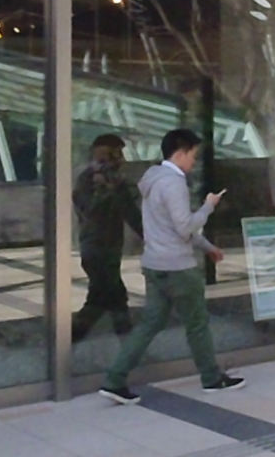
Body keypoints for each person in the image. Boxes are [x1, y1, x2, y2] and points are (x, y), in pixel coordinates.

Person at [100, 128, 244, 403]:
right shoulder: (174, 183)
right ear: (179, 154)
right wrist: (209, 206)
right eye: (192, 155)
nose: (194, 162)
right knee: (197, 324)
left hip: (155, 265)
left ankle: (114, 379)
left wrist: (207, 247)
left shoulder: (152, 181)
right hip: (178, 268)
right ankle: (211, 378)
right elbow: (185, 227)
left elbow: (169, 226)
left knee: (149, 325)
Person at [72, 134, 142, 341]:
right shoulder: (87, 181)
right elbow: (89, 211)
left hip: (111, 250)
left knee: (102, 299)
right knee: (112, 297)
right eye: (115, 155)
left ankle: (69, 341)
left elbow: (130, 212)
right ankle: (128, 344)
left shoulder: (117, 182)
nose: (120, 160)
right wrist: (104, 189)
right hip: (95, 250)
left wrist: (151, 236)